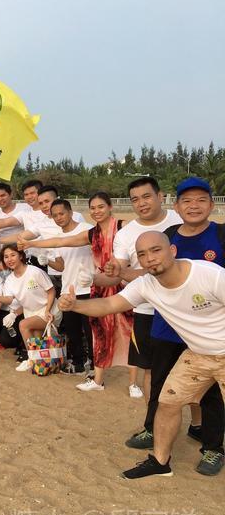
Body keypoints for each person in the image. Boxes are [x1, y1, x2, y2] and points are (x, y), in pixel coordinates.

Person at [58, 231, 225, 479]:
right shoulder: (146, 284)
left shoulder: (210, 275)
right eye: (143, 254)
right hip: (197, 355)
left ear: (173, 251)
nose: (150, 258)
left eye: (156, 250)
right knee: (167, 404)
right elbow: (109, 304)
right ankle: (160, 462)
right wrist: (75, 305)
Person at [146, 177, 225, 475]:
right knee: (162, 385)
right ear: (176, 207)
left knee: (211, 395)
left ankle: (213, 448)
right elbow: (149, 272)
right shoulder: (167, 236)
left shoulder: (221, 234)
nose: (194, 206)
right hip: (168, 325)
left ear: (212, 205)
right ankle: (152, 433)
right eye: (187, 201)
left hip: (208, 332)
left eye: (201, 200)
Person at [23, 192, 138, 392]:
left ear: (110, 207)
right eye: (93, 208)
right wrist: (33, 245)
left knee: (126, 332)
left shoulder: (120, 227)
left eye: (101, 207)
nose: (96, 211)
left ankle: (133, 383)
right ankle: (95, 377)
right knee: (95, 333)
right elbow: (59, 244)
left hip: (117, 286)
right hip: (92, 287)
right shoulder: (91, 233)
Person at [104, 177, 182, 449]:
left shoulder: (179, 221)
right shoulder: (126, 234)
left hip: (185, 309)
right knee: (151, 371)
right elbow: (118, 269)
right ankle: (152, 426)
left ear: (160, 196)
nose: (141, 203)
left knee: (198, 372)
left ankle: (199, 428)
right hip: (147, 311)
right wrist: (114, 272)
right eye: (135, 199)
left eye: (146, 196)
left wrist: (127, 273)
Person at [19, 199, 95, 376]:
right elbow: (61, 267)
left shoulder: (86, 229)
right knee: (73, 330)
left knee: (90, 331)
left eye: (62, 213)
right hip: (68, 290)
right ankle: (77, 364)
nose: (59, 218)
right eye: (55, 216)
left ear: (70, 212)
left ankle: (94, 366)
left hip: (88, 288)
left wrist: (31, 244)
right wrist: (47, 260)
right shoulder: (58, 236)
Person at [0, 244, 61, 372]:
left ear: (21, 256)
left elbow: (51, 291)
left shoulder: (34, 271)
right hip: (31, 313)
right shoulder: (10, 279)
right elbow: (9, 299)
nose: (9, 259)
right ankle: (41, 365)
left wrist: (47, 311)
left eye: (13, 255)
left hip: (49, 310)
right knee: (36, 339)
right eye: (6, 257)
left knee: (23, 325)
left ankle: (31, 359)